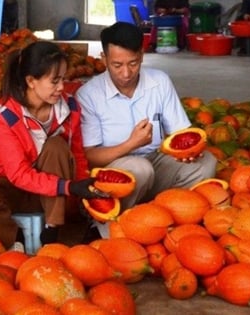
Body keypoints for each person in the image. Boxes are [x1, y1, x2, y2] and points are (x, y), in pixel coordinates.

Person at [0, 41, 108, 251]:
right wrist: (68, 186)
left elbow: (77, 153)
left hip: (52, 195)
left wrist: (84, 189)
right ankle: (14, 237)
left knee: (56, 145)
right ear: (31, 81)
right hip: (12, 188)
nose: (61, 87)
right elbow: (18, 174)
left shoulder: (70, 107)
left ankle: (51, 230)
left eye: (63, 79)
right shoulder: (4, 115)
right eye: (54, 81)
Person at [76, 22, 217, 240]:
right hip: (116, 169)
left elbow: (182, 131)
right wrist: (131, 144)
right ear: (104, 59)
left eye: (133, 63)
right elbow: (90, 157)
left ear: (142, 55)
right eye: (117, 65)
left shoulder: (159, 81)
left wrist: (191, 150)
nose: (126, 73)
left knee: (207, 162)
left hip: (157, 162)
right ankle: (110, 227)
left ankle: (163, 219)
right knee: (139, 168)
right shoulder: (88, 95)